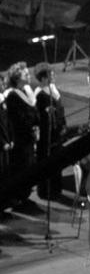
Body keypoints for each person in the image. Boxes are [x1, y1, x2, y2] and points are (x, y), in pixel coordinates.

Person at [3, 63, 38, 202]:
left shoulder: (24, 91)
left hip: (27, 137)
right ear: (17, 78)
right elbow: (18, 118)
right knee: (21, 167)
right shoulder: (12, 95)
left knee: (28, 166)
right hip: (19, 139)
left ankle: (24, 194)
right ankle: (19, 196)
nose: (29, 76)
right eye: (25, 74)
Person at [33, 63, 67, 199]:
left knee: (57, 161)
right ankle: (46, 191)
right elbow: (38, 118)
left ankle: (56, 188)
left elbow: (60, 109)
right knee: (47, 162)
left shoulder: (52, 89)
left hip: (56, 131)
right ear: (43, 78)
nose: (53, 76)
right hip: (47, 135)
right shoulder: (40, 95)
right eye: (50, 75)